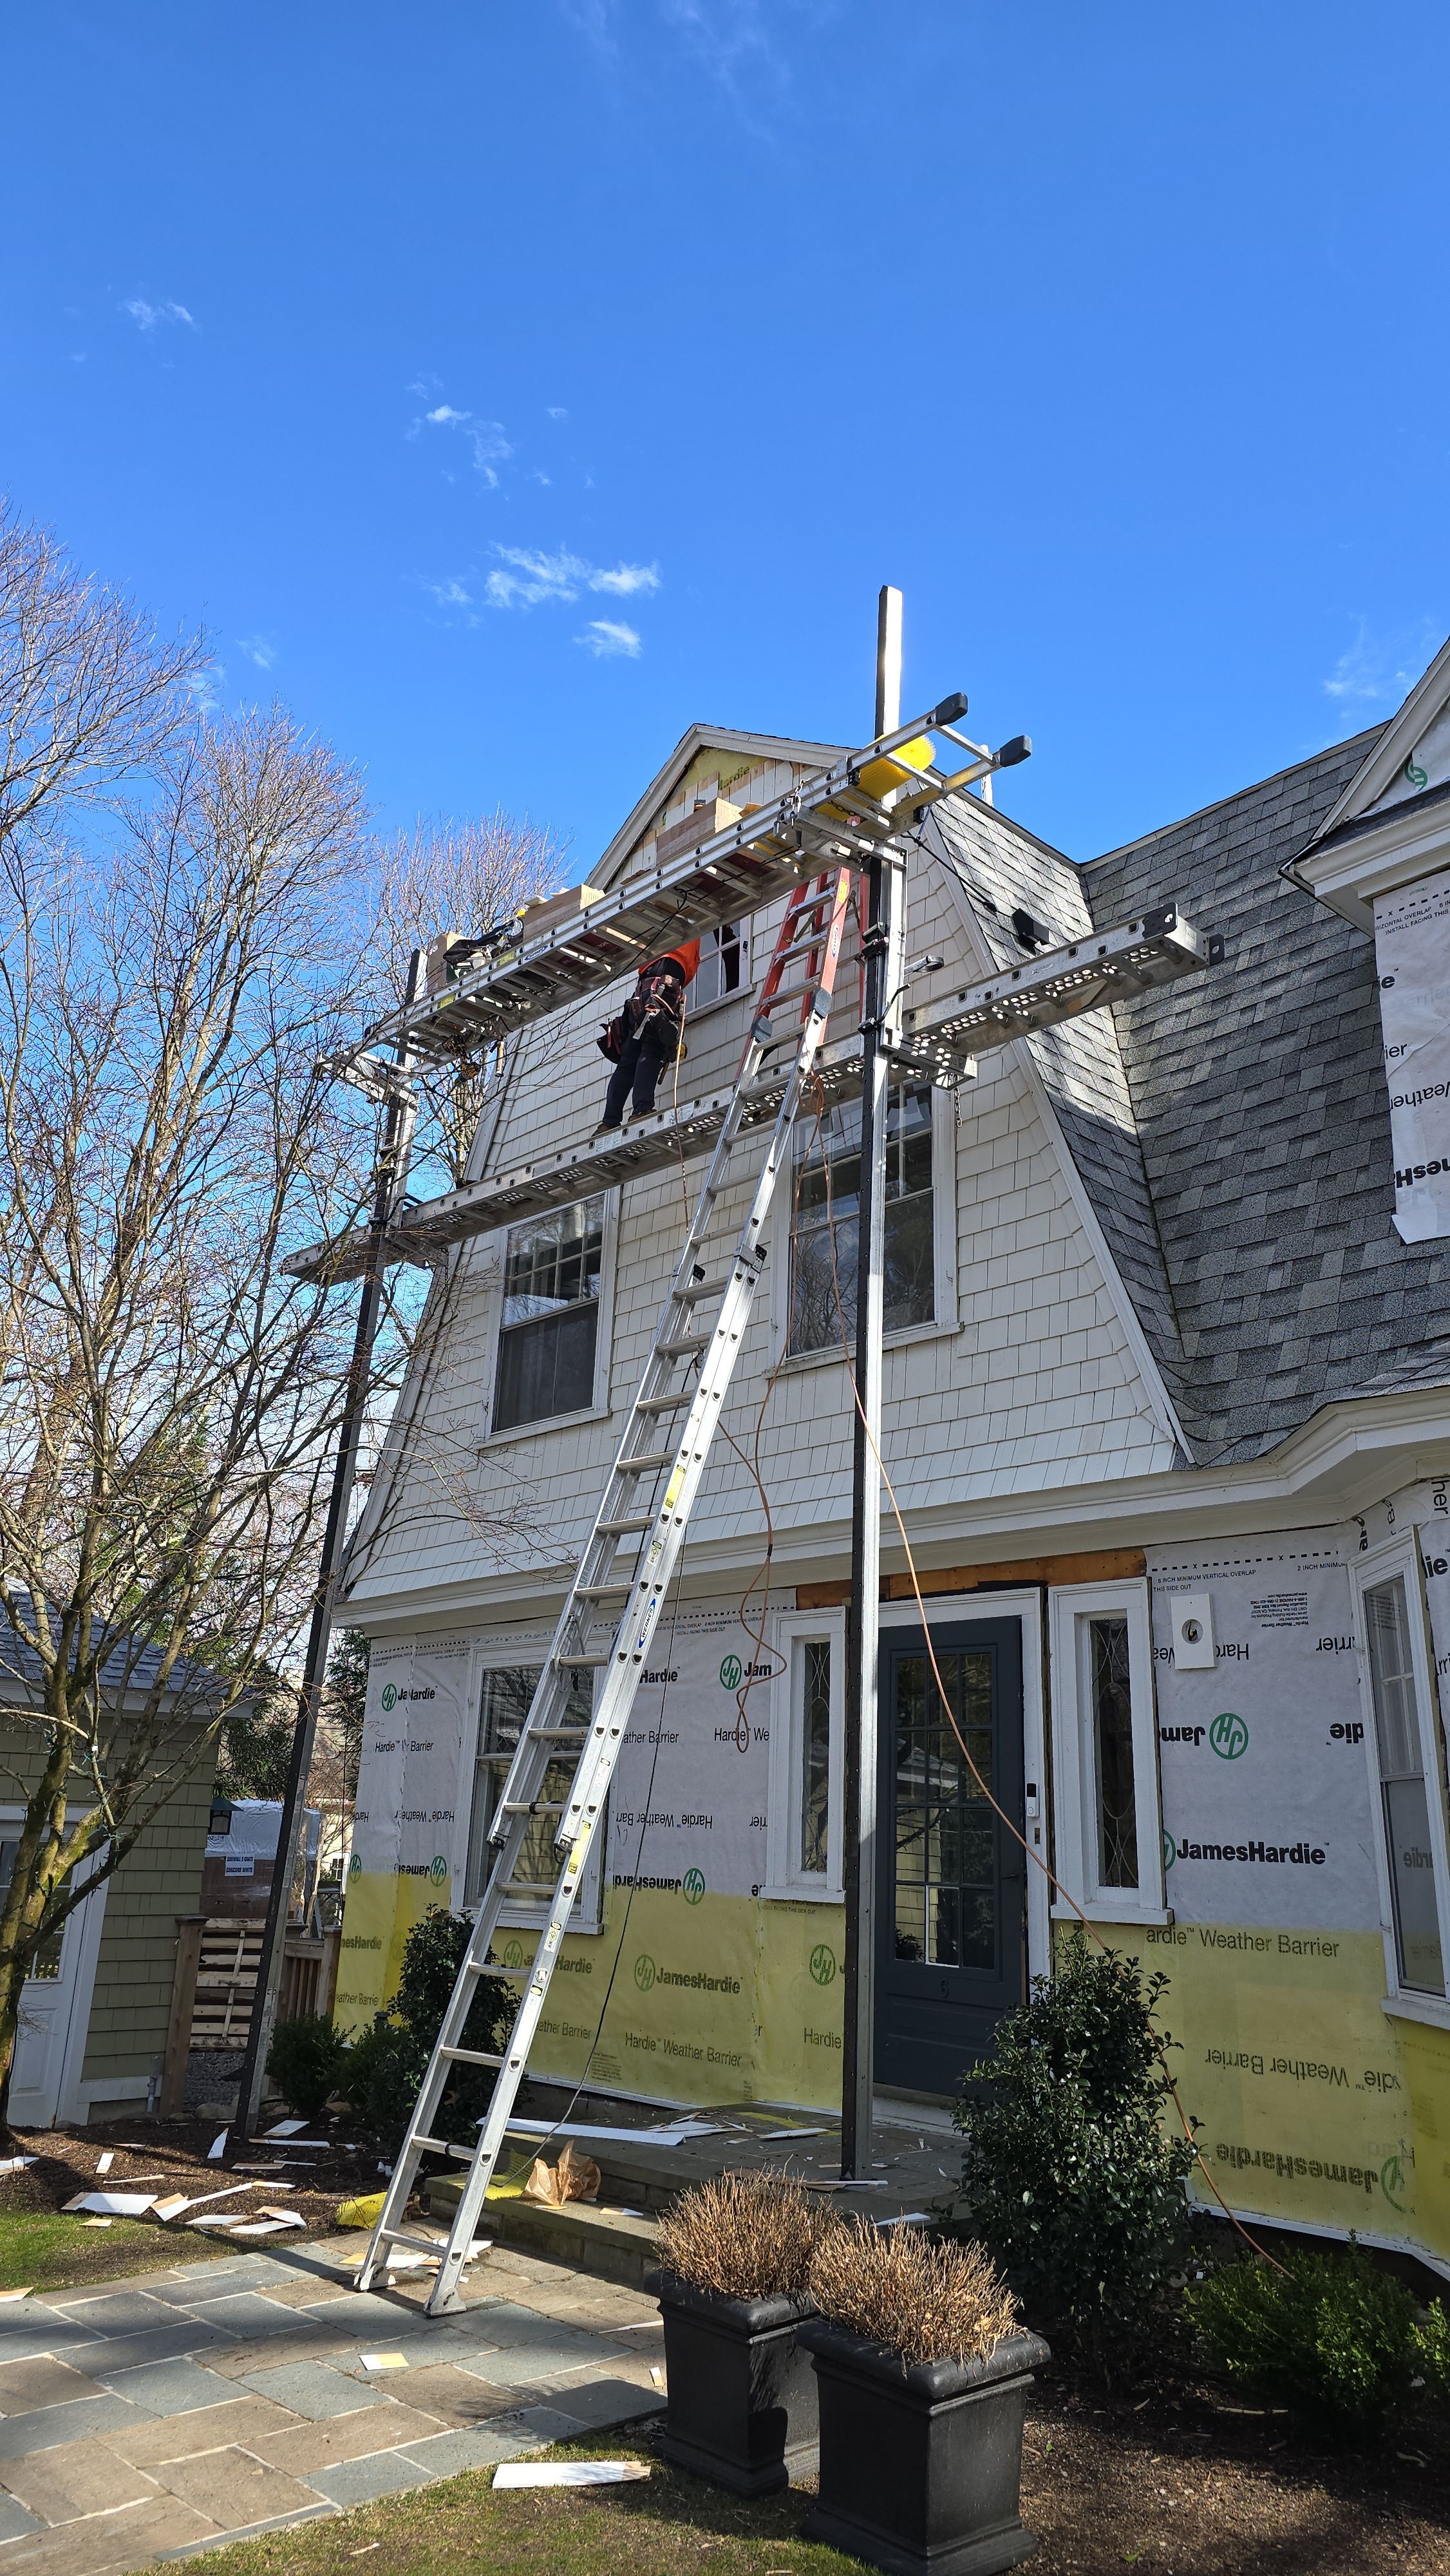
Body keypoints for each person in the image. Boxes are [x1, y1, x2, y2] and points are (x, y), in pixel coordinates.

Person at [596, 940, 700, 1130]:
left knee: (628, 1060)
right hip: (666, 980)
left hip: (643, 987)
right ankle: (642, 1110)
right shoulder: (691, 924)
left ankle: (608, 1122)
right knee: (652, 1050)